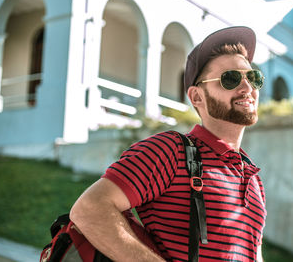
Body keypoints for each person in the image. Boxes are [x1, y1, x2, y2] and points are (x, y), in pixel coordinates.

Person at [70, 26, 266, 262]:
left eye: (253, 77)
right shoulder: (171, 151)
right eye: (230, 79)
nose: (247, 88)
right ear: (197, 97)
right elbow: (90, 209)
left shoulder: (253, 176)